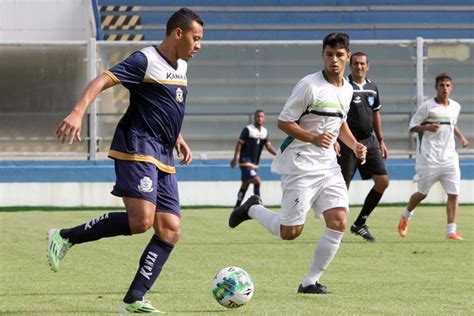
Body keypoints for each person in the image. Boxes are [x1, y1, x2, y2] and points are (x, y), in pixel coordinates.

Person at [47, 8, 204, 313]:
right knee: (141, 221)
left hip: (163, 151)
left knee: (170, 229)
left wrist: (178, 136)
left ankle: (134, 299)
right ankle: (64, 237)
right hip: (137, 145)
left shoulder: (182, 66)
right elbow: (101, 81)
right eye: (196, 38)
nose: (199, 45)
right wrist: (77, 113)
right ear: (178, 33)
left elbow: (168, 106)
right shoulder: (144, 60)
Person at [229, 33, 367, 294]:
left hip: (328, 166)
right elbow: (284, 122)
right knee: (290, 232)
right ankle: (252, 209)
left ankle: (309, 282)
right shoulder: (309, 86)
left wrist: (354, 144)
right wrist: (313, 138)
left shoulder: (347, 89)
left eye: (339, 55)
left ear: (347, 57)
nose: (334, 60)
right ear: (323, 55)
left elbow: (340, 124)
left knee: (338, 221)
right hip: (300, 165)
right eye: (329, 55)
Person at [398, 73, 469, 241]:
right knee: (422, 194)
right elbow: (412, 126)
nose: (444, 88)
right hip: (429, 158)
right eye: (441, 85)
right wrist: (428, 127)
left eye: (447, 85)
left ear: (451, 88)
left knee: (454, 193)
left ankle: (451, 231)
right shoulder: (427, 107)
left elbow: (452, 124)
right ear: (436, 87)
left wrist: (462, 137)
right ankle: (406, 215)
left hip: (450, 157)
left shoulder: (455, 106)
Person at [335, 52, 389, 242]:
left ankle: (360, 223)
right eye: (355, 64)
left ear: (368, 66)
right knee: (343, 186)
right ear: (350, 65)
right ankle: (336, 228)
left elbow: (376, 114)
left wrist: (381, 140)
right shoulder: (343, 86)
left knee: (382, 181)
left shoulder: (373, 87)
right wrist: (335, 139)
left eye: (362, 64)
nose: (359, 67)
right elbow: (337, 115)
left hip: (370, 141)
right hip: (348, 142)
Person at [230, 110, 277, 208]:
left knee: (245, 185)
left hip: (255, 164)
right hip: (245, 162)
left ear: (264, 118)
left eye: (261, 117)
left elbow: (268, 146)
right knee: (257, 180)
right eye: (258, 116)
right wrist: (235, 158)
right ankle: (258, 204)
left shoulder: (264, 132)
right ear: (254, 118)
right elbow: (239, 144)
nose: (259, 118)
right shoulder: (248, 129)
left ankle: (237, 207)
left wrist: (278, 155)